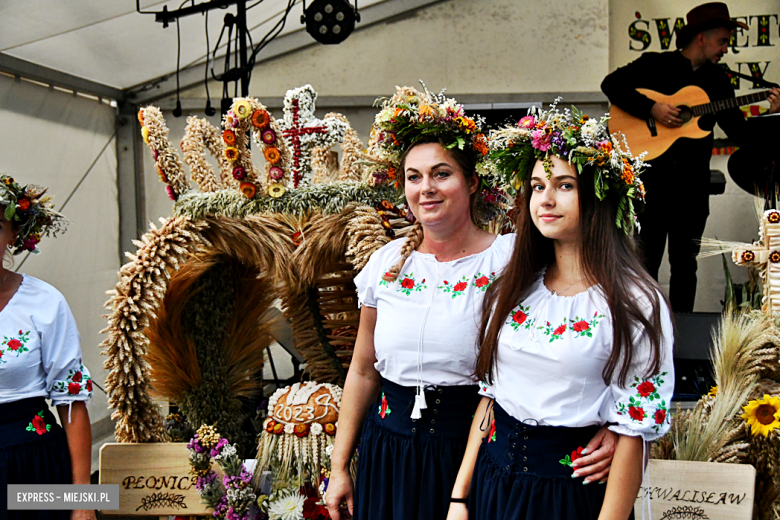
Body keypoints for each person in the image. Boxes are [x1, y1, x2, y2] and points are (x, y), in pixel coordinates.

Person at [325, 87, 618, 520]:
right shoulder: (386, 264)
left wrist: (616, 427)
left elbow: (588, 324)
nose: (426, 187)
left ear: (472, 181)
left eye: (441, 174)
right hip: (387, 450)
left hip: (472, 450)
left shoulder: (512, 259)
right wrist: (339, 465)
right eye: (414, 176)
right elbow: (363, 369)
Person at [446, 106, 675, 520]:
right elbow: (491, 397)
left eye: (564, 185)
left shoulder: (634, 301)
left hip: (568, 495)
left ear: (599, 194)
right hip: (493, 483)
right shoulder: (513, 286)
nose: (545, 200)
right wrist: (459, 498)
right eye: (536, 186)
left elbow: (634, 431)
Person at [601, 1, 780, 312]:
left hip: (692, 189)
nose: (726, 49)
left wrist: (772, 115)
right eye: (722, 41)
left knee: (686, 266)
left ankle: (681, 336)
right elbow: (611, 84)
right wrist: (652, 108)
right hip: (651, 185)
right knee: (645, 264)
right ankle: (646, 330)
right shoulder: (654, 64)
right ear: (702, 38)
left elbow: (739, 133)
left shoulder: (718, 81)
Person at [0, 175, 95, 520]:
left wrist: (83, 500)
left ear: (13, 235)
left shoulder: (45, 302)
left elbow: (72, 401)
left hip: (35, 467)